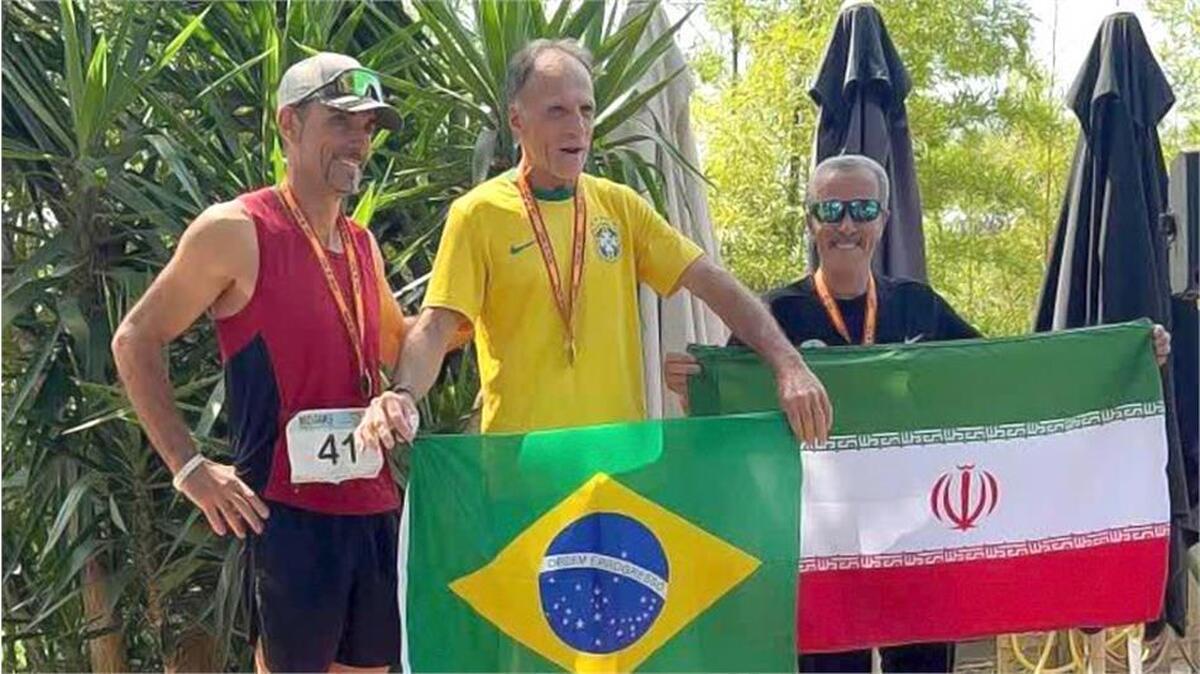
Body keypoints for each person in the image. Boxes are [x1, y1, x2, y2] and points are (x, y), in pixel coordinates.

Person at [664, 153, 1172, 673]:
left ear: (883, 220)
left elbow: (1003, 375)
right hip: (821, 546)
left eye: (863, 209)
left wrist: (1124, 357)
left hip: (920, 541)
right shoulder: (774, 315)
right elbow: (733, 420)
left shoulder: (919, 306)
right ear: (811, 221)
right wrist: (695, 389)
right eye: (831, 210)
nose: (846, 225)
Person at [353, 38, 832, 448]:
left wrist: (788, 364)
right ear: (517, 120)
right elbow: (437, 325)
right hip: (524, 474)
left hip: (618, 467)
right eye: (557, 111)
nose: (577, 127)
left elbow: (711, 281)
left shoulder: (620, 206)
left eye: (586, 110)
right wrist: (403, 394)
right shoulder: (478, 213)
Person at [112, 53, 410, 673]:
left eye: (367, 127)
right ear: (289, 124)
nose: (358, 141)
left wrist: (477, 304)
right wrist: (188, 467)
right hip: (286, 515)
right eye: (341, 121)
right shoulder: (236, 230)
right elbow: (135, 337)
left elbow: (400, 348)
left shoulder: (362, 245)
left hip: (371, 508)